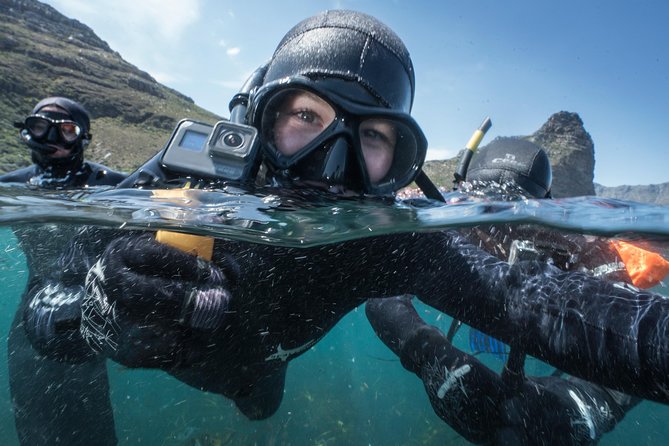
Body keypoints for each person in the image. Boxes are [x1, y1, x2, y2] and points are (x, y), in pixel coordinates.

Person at [19, 10, 669, 442]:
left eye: (373, 138)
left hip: (256, 376)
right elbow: (45, 305)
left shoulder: (384, 247)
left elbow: (551, 309)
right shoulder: (182, 193)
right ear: (256, 120)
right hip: (205, 360)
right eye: (305, 115)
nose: (331, 165)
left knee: (260, 402)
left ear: (397, 165)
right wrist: (90, 309)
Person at [367, 137, 655, 445]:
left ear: (545, 214)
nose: (501, 242)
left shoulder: (577, 249)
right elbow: (382, 293)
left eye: (518, 225)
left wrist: (582, 404)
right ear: (462, 200)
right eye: (485, 221)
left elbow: (637, 336)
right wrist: (431, 356)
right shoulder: (443, 223)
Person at [1, 97, 125, 445]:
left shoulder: (112, 184)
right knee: (34, 421)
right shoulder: (11, 187)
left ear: (83, 138)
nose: (54, 139)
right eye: (42, 127)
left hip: (84, 314)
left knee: (92, 423)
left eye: (67, 130)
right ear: (28, 131)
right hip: (29, 320)